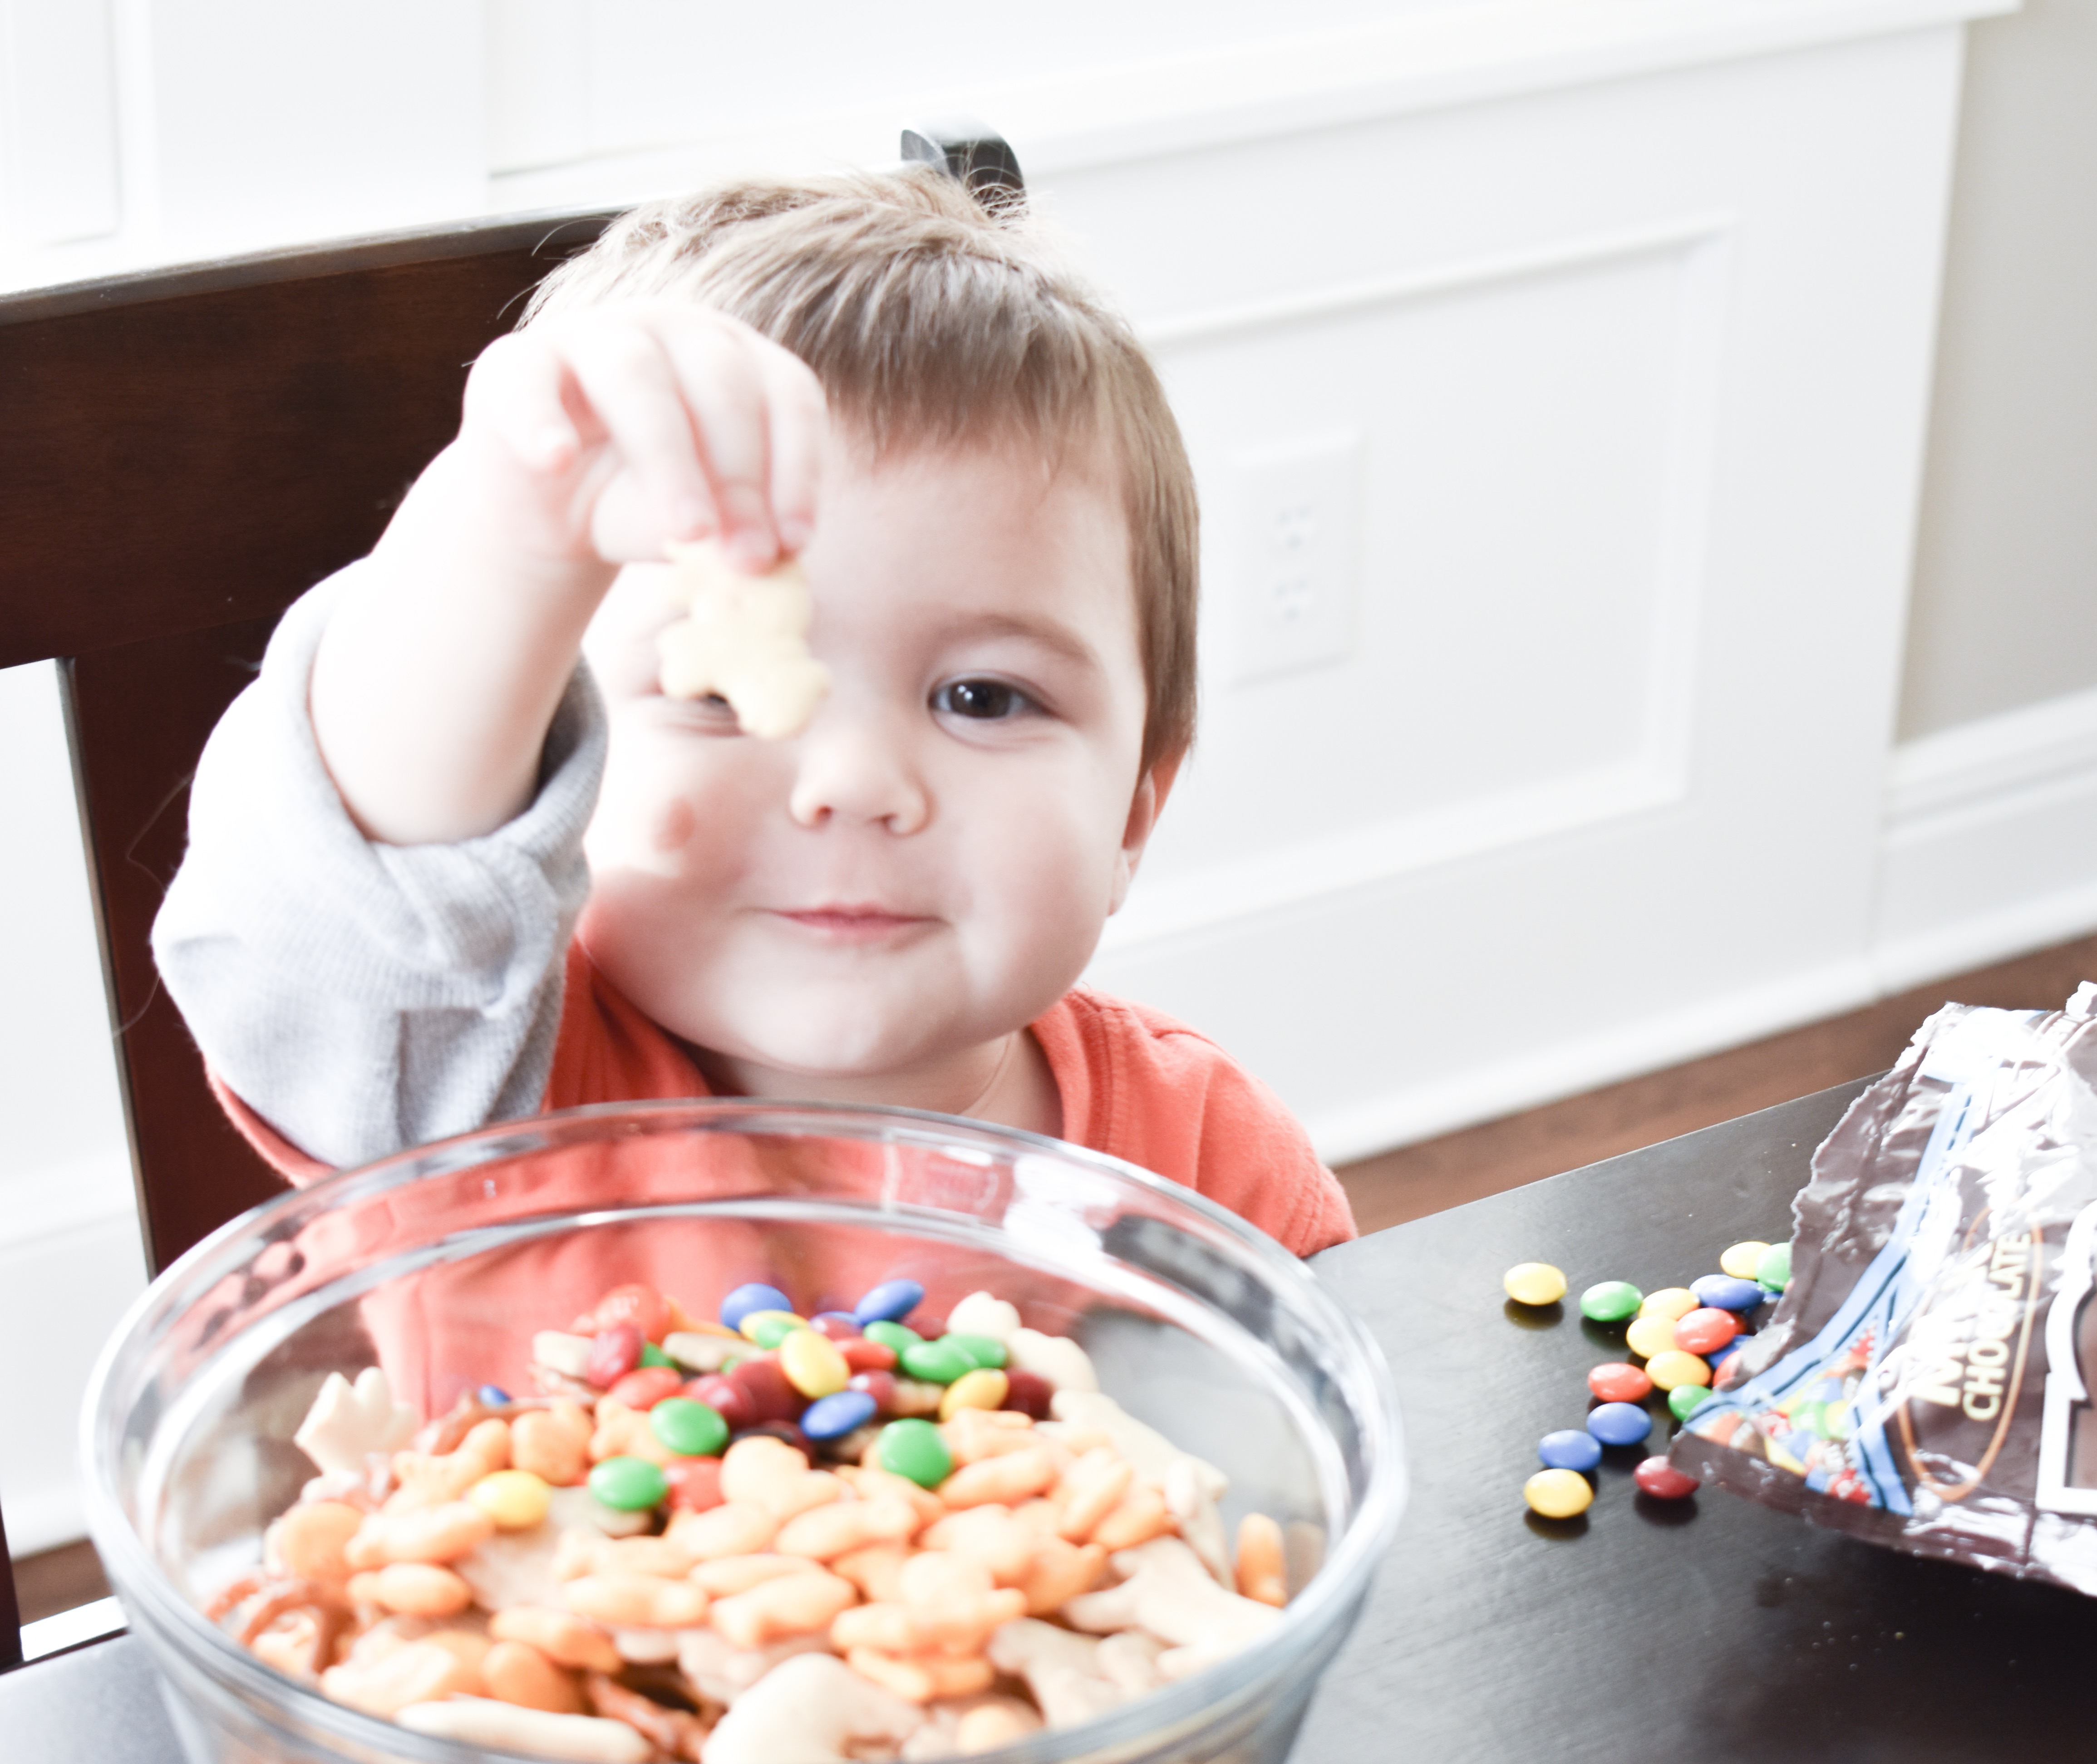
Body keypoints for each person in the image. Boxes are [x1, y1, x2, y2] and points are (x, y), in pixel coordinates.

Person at [153, 168, 1355, 1261]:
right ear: (545, 754)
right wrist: (504, 533)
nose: (851, 779)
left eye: (982, 697)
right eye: (721, 693)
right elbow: (349, 918)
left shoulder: (1212, 1167)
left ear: (1136, 813)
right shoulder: (468, 1093)